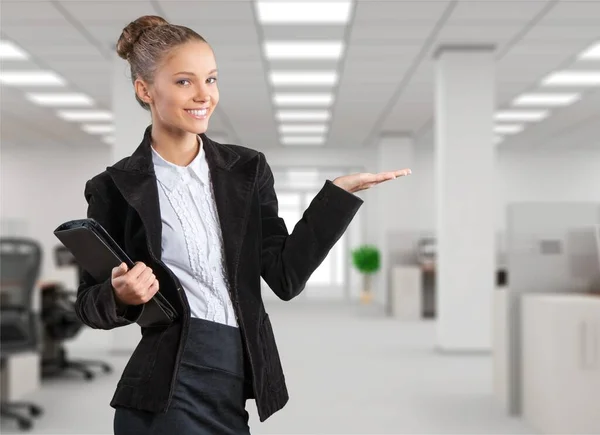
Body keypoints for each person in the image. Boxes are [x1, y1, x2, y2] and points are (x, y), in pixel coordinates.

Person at [74, 15, 411, 435]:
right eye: (184, 82)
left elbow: (285, 277)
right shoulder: (114, 187)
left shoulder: (246, 170)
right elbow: (89, 305)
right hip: (167, 384)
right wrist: (119, 294)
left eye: (211, 80)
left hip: (233, 376)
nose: (204, 95)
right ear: (145, 89)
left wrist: (336, 198)